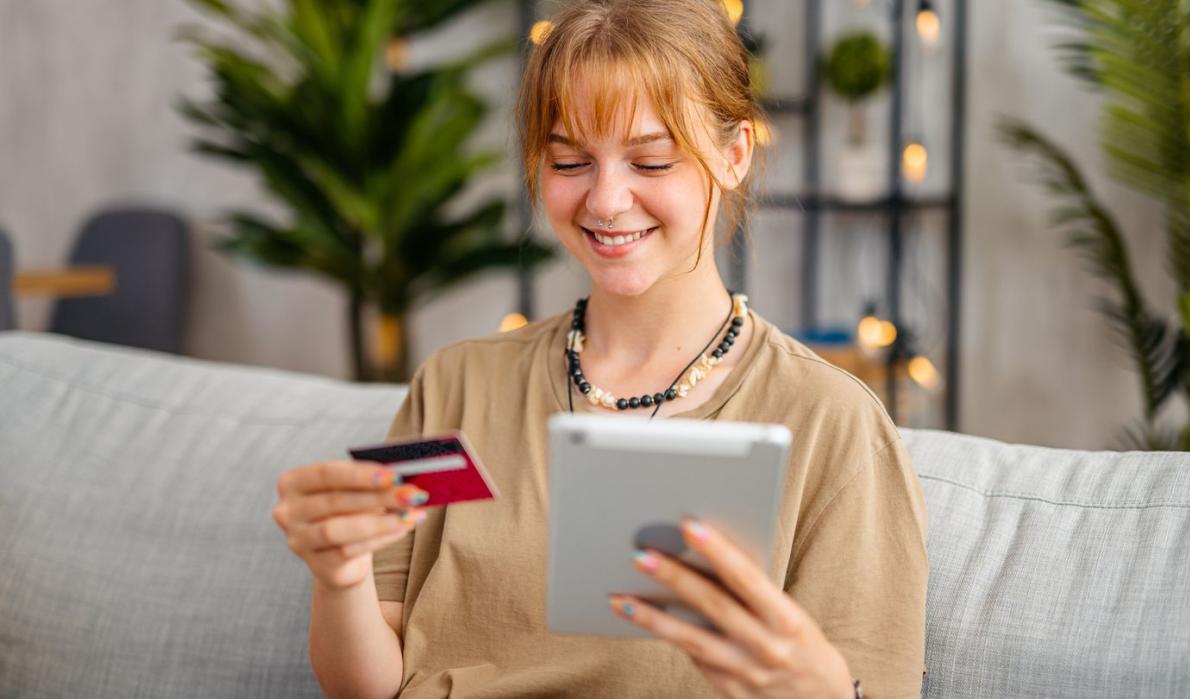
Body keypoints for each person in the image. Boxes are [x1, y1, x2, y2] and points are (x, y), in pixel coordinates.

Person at [270, 1, 928, 696]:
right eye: (570, 160)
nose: (606, 200)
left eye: (651, 160)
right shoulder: (456, 383)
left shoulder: (831, 423)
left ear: (733, 156)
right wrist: (337, 574)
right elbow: (364, 686)